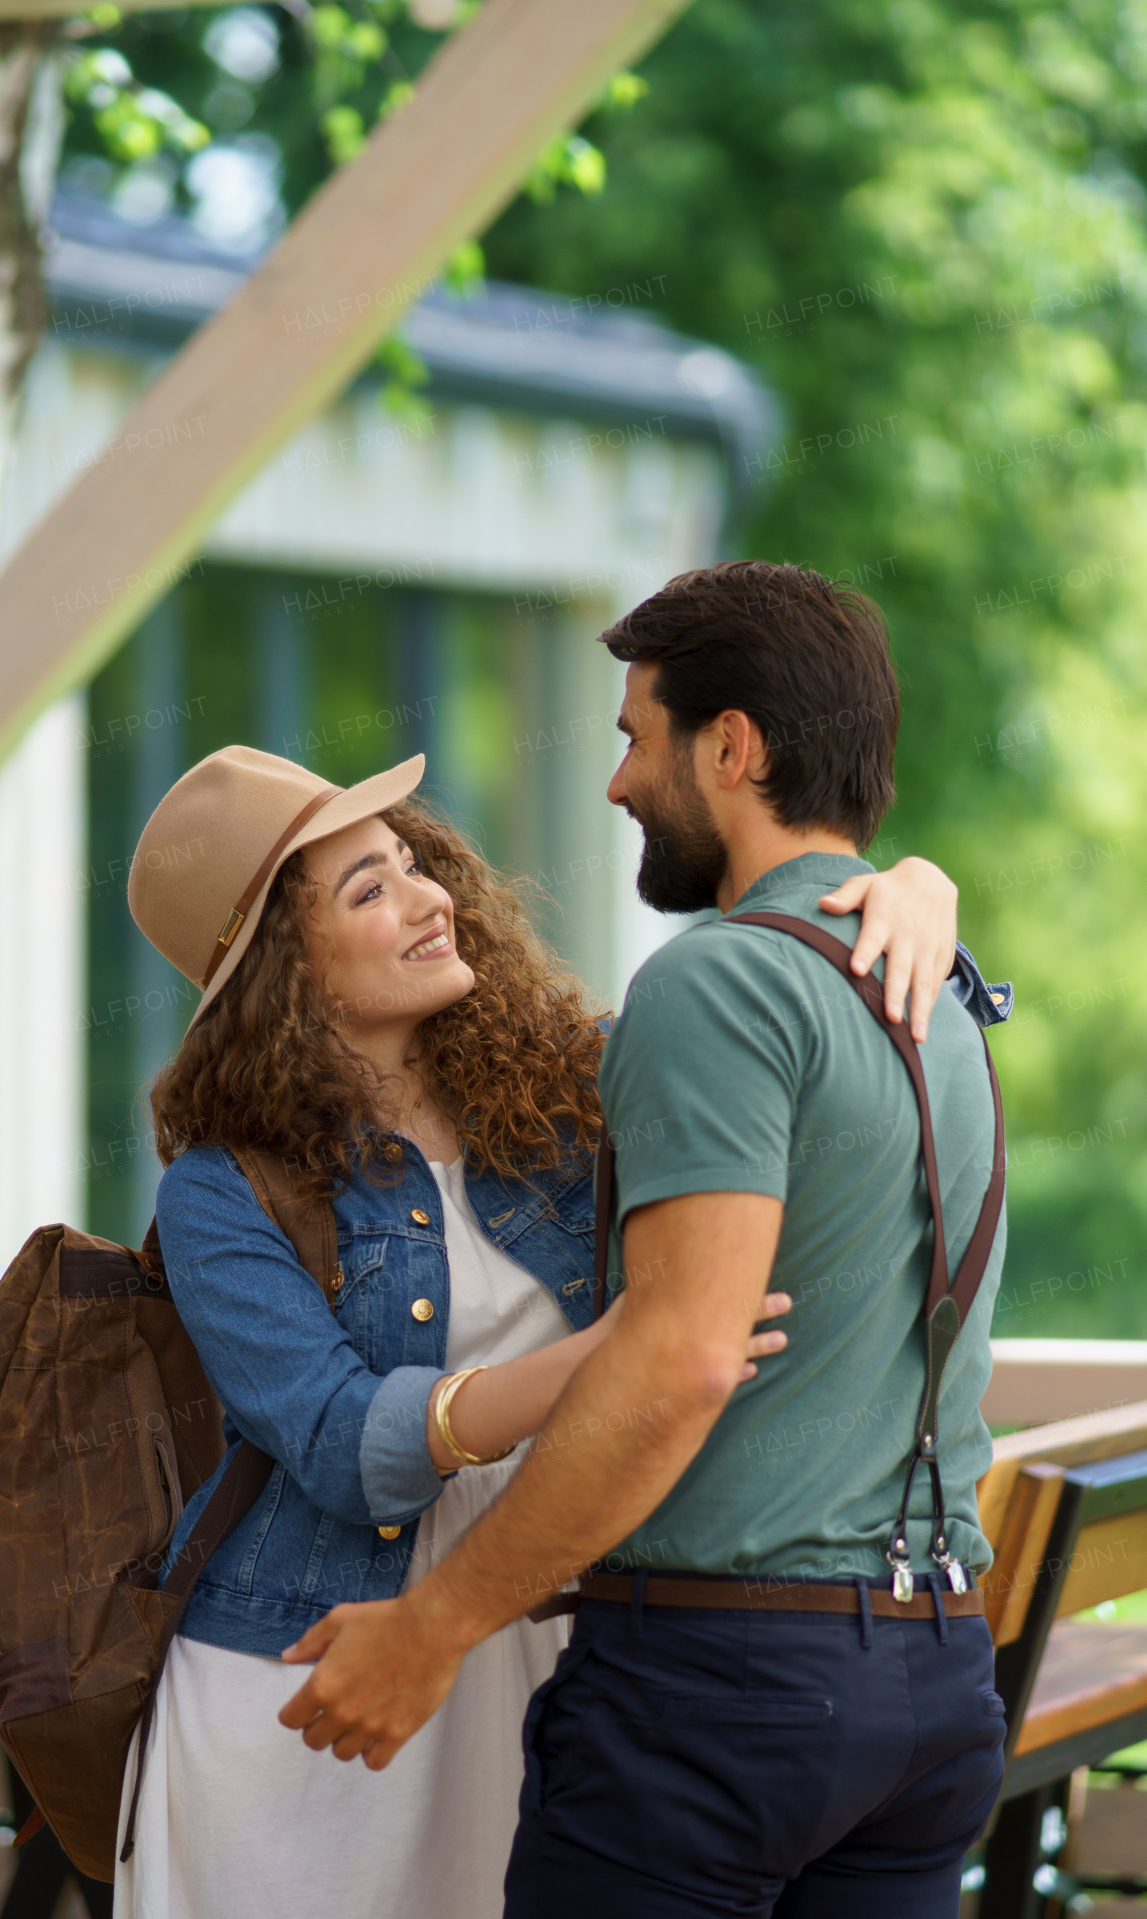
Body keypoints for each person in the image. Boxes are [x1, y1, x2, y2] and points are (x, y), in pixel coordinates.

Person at [278, 563, 1012, 1919]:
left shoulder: (720, 982)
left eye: (635, 735)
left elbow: (679, 1360)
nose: (617, 782)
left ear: (732, 746)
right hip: (931, 1684)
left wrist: (433, 1628)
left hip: (720, 1704)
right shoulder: (943, 997)